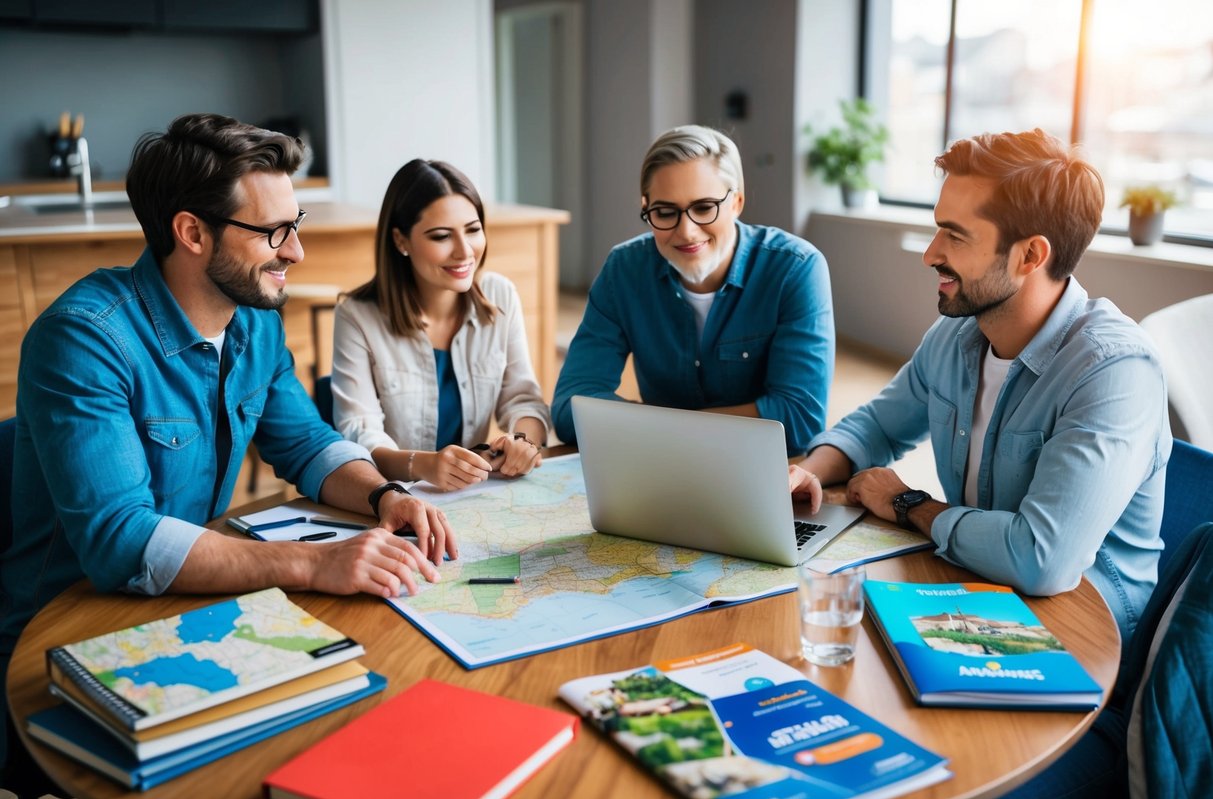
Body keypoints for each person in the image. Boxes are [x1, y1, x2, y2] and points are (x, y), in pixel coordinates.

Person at [0, 114, 458, 764]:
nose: (295, 251)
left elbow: (304, 444)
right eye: (274, 231)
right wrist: (313, 563)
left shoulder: (253, 321)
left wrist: (384, 495)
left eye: (293, 225)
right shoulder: (84, 339)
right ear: (191, 232)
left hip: (182, 612)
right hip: (65, 641)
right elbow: (120, 540)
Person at [789, 128, 1169, 643]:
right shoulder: (957, 334)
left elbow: (1042, 560)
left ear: (1030, 256)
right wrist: (807, 472)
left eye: (955, 235)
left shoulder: (1114, 371)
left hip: (1083, 624)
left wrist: (908, 504)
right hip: (975, 582)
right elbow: (878, 423)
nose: (929, 253)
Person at [551, 125, 834, 455]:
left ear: (737, 202)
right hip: (661, 467)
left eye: (704, 207)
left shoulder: (796, 268)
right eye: (665, 212)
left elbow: (800, 420)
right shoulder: (623, 270)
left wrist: (663, 429)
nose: (686, 231)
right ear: (646, 207)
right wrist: (688, 432)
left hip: (757, 467)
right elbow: (571, 408)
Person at [331, 159, 550, 492]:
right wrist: (422, 464)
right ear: (401, 241)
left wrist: (522, 442)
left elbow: (523, 399)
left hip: (472, 495)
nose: (464, 252)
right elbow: (360, 436)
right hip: (394, 500)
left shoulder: (500, 295)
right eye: (441, 236)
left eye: (473, 230)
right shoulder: (357, 316)